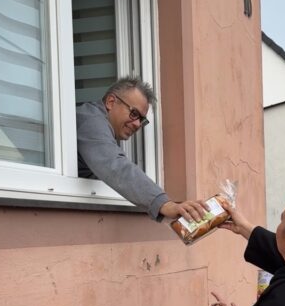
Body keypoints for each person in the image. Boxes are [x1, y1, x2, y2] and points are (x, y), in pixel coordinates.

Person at [76, 77, 205, 222]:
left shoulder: (100, 123)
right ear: (111, 102)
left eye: (141, 119)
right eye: (134, 113)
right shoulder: (91, 121)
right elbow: (116, 167)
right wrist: (163, 203)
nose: (138, 124)